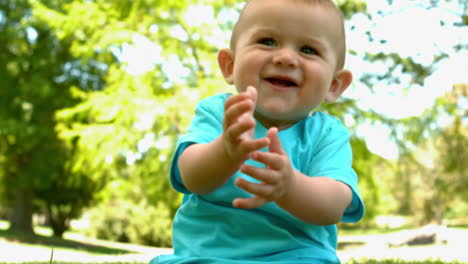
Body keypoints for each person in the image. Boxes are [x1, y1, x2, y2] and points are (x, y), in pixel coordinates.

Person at [151, 0, 365, 263]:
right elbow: (192, 177)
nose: (285, 58)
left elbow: (334, 206)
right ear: (229, 65)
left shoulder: (327, 135)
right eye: (267, 41)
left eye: (308, 49)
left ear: (334, 84)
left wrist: (290, 186)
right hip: (206, 256)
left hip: (296, 256)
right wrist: (225, 150)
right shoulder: (219, 113)